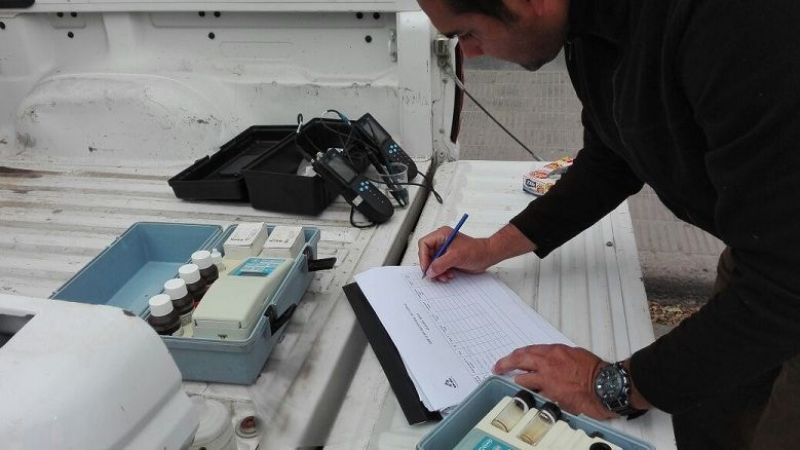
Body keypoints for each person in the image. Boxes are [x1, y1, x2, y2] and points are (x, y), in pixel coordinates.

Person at [415, 0, 800, 448]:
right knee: (707, 421)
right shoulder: (589, 24)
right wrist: (491, 247)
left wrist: (608, 386)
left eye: (466, 33)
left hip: (781, 274)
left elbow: (784, 284)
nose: (472, 54)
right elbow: (612, 155)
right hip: (767, 253)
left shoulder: (736, 22)